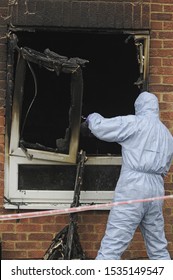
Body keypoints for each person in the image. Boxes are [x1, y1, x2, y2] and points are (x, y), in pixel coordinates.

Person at [84, 91, 173, 260]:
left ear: (138, 107)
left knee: (113, 244)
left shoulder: (135, 123)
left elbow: (102, 128)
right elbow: (166, 165)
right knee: (158, 247)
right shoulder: (167, 135)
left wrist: (92, 117)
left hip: (134, 185)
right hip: (156, 188)